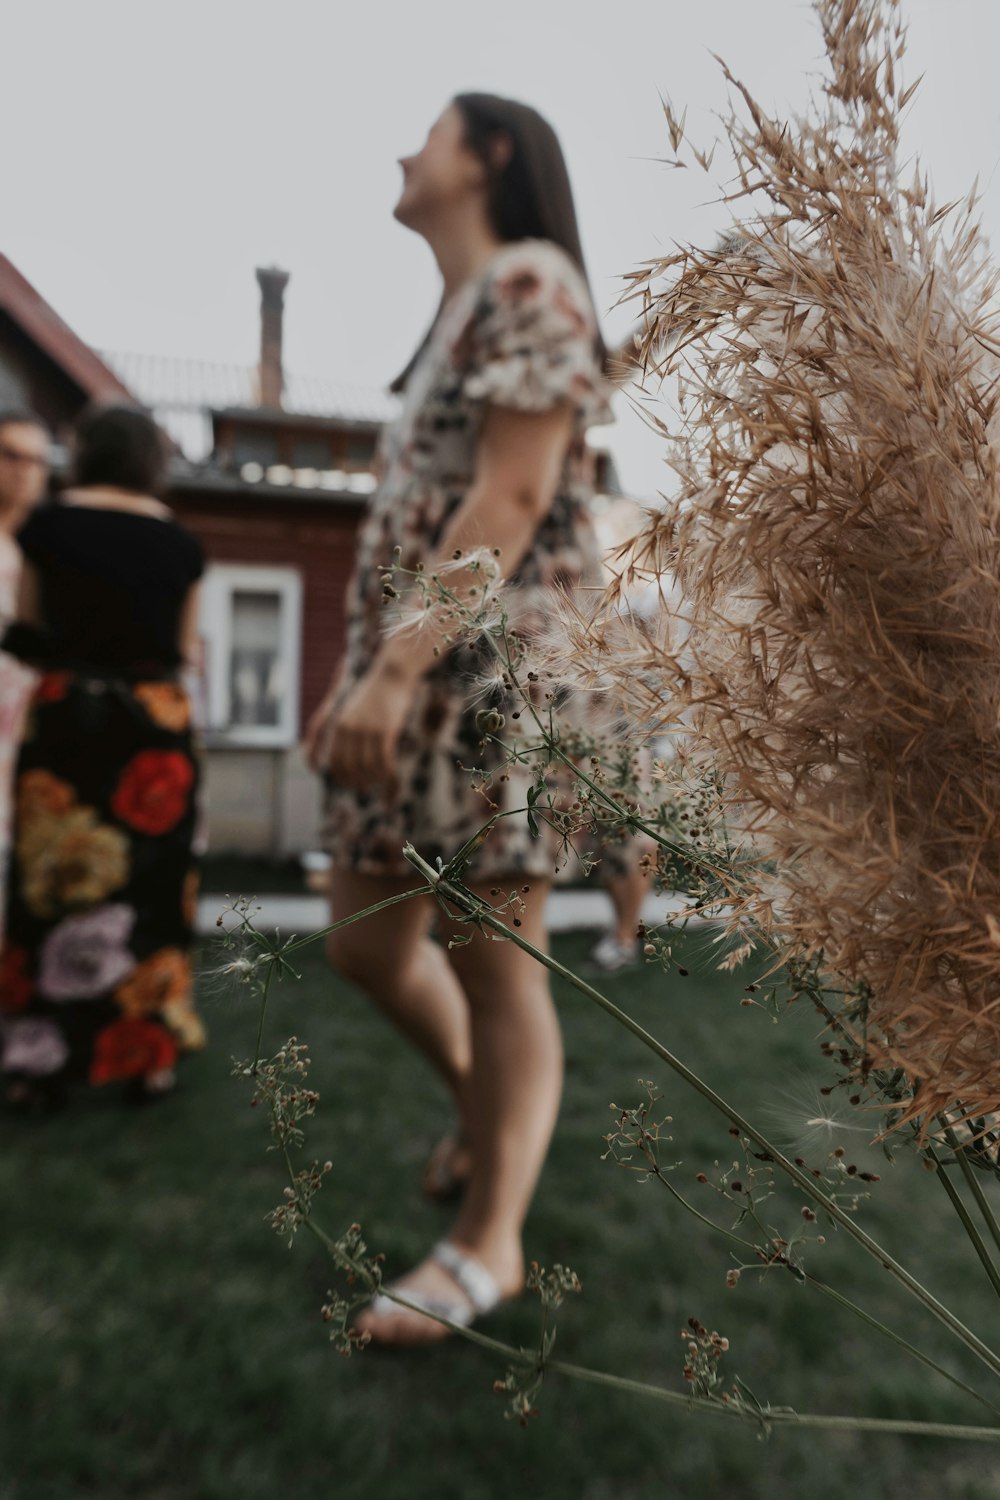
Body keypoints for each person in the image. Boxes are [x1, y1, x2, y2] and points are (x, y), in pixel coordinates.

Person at [305, 93, 614, 1345]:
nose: (399, 149)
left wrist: (393, 671)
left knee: (493, 959)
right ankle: (496, 1119)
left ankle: (491, 1243)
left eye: (424, 130)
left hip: (492, 675)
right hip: (407, 668)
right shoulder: (450, 319)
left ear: (487, 157)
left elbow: (515, 491)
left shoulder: (531, 280)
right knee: (363, 941)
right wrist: (363, 681)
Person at [0, 403, 205, 1110]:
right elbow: (181, 649)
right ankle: (147, 1058)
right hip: (154, 724)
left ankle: (39, 1060)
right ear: (150, 460)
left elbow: (28, 631)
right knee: (151, 891)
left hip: (68, 720)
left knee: (48, 885)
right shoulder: (182, 545)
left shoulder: (44, 527)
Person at [0, 410, 50, 937]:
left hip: (20, 750)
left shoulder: (43, 557)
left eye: (37, 460)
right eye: (11, 455)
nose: (24, 470)